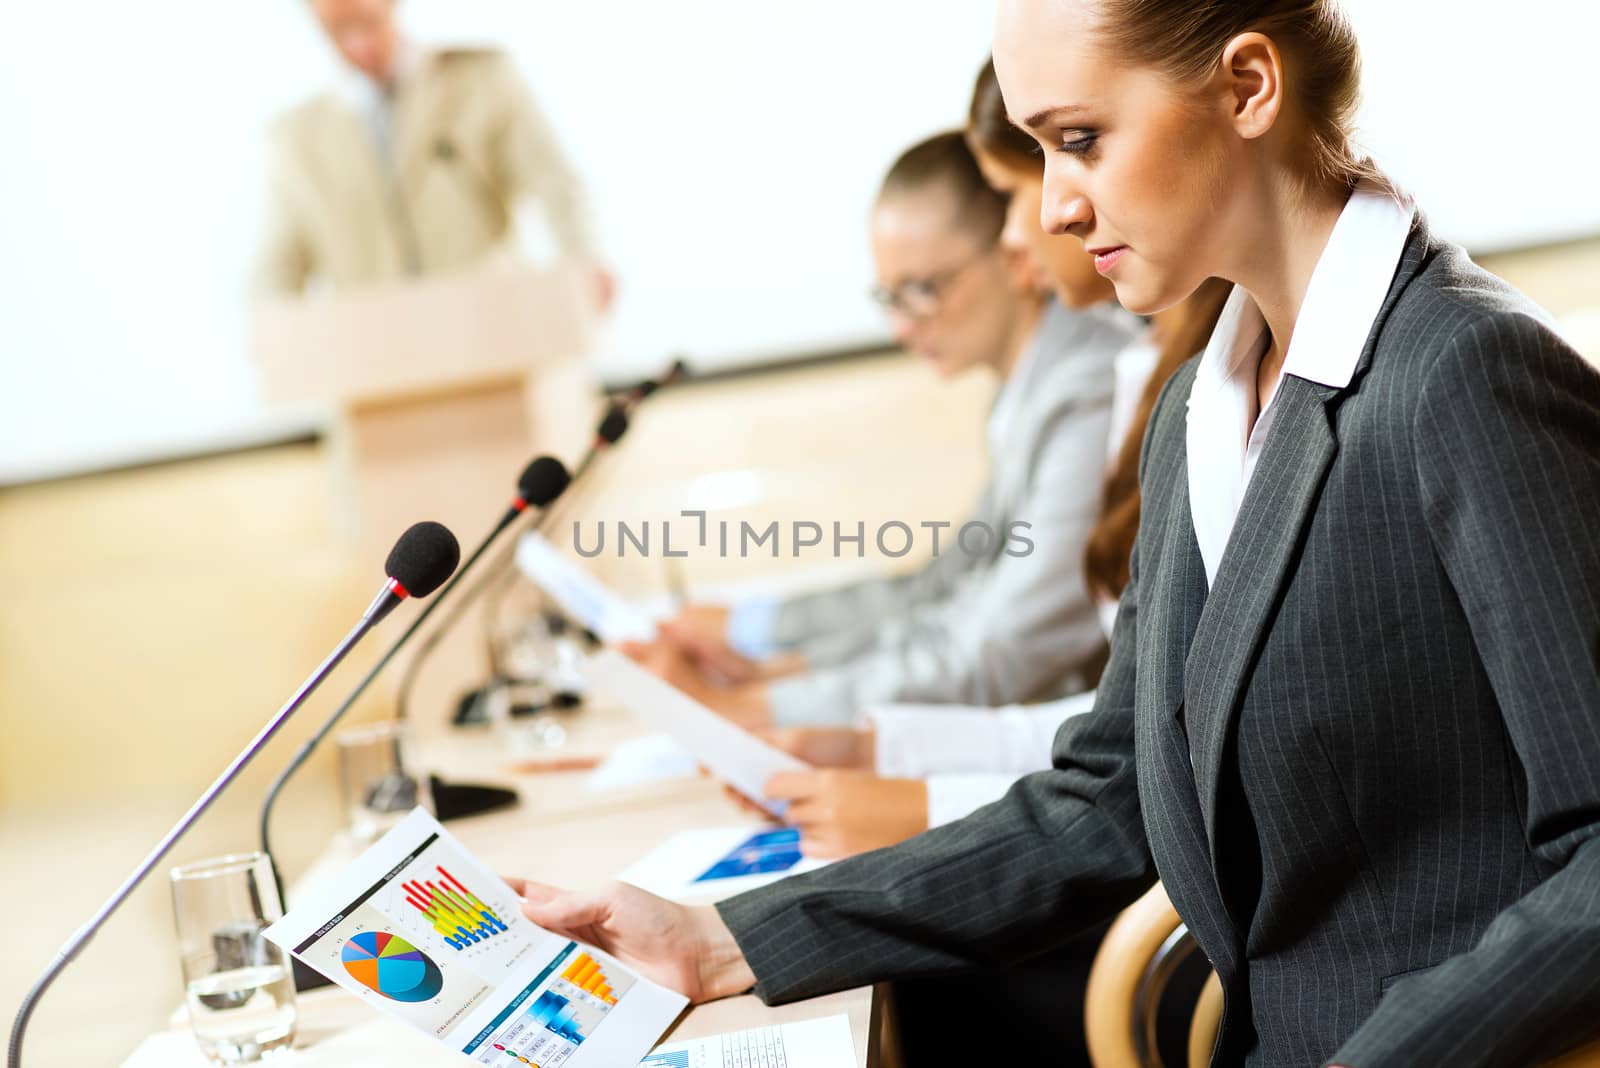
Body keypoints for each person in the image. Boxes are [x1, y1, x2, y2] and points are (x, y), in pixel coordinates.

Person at [516, 1, 1600, 1064]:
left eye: (1078, 141)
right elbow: (1110, 795)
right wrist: (716, 941)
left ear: (1247, 86)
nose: (1051, 212)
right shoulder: (1198, 411)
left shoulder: (1463, 374)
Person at [759, 58, 1233, 862]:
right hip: (1105, 812)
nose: (1032, 228)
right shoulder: (1137, 370)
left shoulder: (1109, 379)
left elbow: (1018, 649)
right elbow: (1127, 723)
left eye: (1075, 148)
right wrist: (895, 751)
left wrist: (910, 781)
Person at [632, 133, 1139, 730]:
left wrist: (754, 708)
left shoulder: (1089, 385)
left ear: (1015, 251)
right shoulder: (1024, 393)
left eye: (923, 290)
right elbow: (944, 592)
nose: (901, 326)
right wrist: (780, 669)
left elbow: (1009, 644)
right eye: (888, 297)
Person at [255, 0, 611, 304]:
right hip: (376, 351)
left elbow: (553, 182)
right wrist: (270, 332)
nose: (359, 44)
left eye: (367, 21)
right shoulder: (297, 139)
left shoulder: (481, 81)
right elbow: (280, 261)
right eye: (337, 30)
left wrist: (584, 259)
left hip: (492, 318)